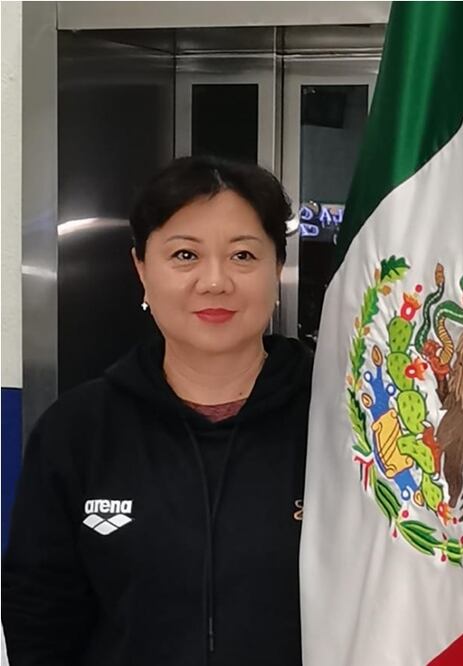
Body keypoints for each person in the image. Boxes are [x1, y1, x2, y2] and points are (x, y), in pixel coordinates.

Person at [3, 156, 313, 665]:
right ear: (141, 269)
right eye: (185, 255)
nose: (215, 282)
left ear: (276, 268)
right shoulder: (78, 431)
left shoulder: (344, 424)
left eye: (242, 256)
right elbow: (39, 614)